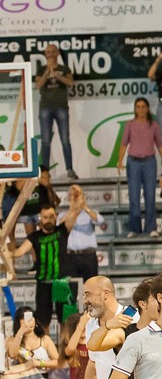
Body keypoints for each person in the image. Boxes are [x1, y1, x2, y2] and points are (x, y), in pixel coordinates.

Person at [8, 206, 74, 326]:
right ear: (40, 218)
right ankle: (45, 339)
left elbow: (75, 212)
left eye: (51, 216)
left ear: (56, 217)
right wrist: (6, 252)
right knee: (43, 322)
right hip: (43, 282)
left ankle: (66, 340)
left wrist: (76, 200)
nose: (48, 220)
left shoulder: (62, 230)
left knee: (65, 320)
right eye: (45, 217)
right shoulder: (35, 236)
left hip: (61, 282)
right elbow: (19, 252)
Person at [117, 97, 162, 238]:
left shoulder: (154, 125)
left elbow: (160, 144)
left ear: (147, 109)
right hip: (133, 162)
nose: (140, 109)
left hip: (149, 162)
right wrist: (119, 161)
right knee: (134, 196)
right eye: (138, 107)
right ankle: (135, 229)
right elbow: (124, 143)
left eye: (143, 106)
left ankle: (151, 227)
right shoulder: (129, 124)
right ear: (135, 109)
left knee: (150, 195)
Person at [35, 44, 77, 179]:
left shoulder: (64, 69)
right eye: (48, 52)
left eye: (53, 51)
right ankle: (45, 172)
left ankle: (70, 169)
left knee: (65, 139)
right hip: (45, 107)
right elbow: (37, 85)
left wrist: (57, 75)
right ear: (45, 54)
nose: (50, 54)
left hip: (61, 107)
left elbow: (70, 82)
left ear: (58, 53)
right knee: (45, 141)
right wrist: (47, 72)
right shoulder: (41, 69)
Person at [61, 184, 104, 283]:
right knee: (71, 287)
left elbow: (100, 220)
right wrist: (72, 210)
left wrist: (84, 207)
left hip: (88, 256)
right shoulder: (63, 215)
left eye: (77, 194)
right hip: (70, 257)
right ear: (68, 198)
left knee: (91, 286)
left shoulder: (89, 214)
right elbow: (60, 225)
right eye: (72, 195)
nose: (74, 197)